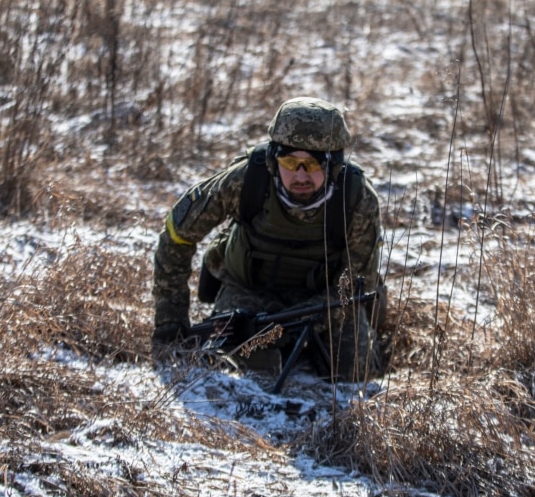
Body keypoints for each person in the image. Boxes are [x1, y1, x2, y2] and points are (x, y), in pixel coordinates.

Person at [151, 96, 386, 382]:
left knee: (355, 373)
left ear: (334, 166)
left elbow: (356, 285)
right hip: (248, 291)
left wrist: (309, 318)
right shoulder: (244, 180)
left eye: (313, 164)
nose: (301, 175)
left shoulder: (357, 199)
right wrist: (170, 319)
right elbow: (176, 235)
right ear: (274, 161)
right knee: (241, 369)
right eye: (290, 161)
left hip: (322, 300)